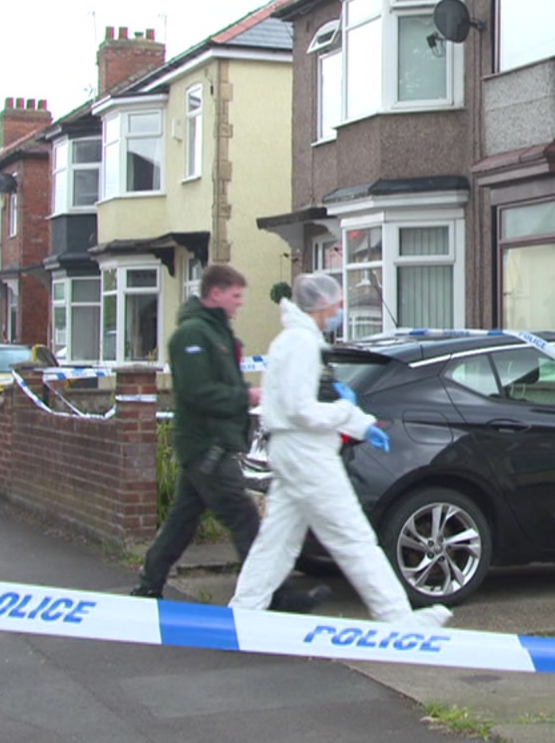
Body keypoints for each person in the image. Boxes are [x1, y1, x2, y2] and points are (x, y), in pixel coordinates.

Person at [229, 273, 451, 628]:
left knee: (278, 539)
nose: (341, 309)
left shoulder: (292, 341)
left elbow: (299, 403)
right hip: (308, 454)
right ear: (322, 305)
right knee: (353, 537)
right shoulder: (303, 344)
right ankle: (397, 617)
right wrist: (349, 415)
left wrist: (356, 422)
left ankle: (244, 609)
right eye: (338, 303)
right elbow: (303, 409)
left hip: (289, 451)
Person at [132, 263, 327, 613]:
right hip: (207, 447)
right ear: (216, 293)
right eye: (235, 296)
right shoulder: (192, 335)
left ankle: (149, 586)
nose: (240, 304)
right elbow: (197, 392)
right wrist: (246, 397)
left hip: (212, 446)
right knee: (245, 518)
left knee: (182, 520)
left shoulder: (217, 334)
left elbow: (218, 383)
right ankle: (276, 595)